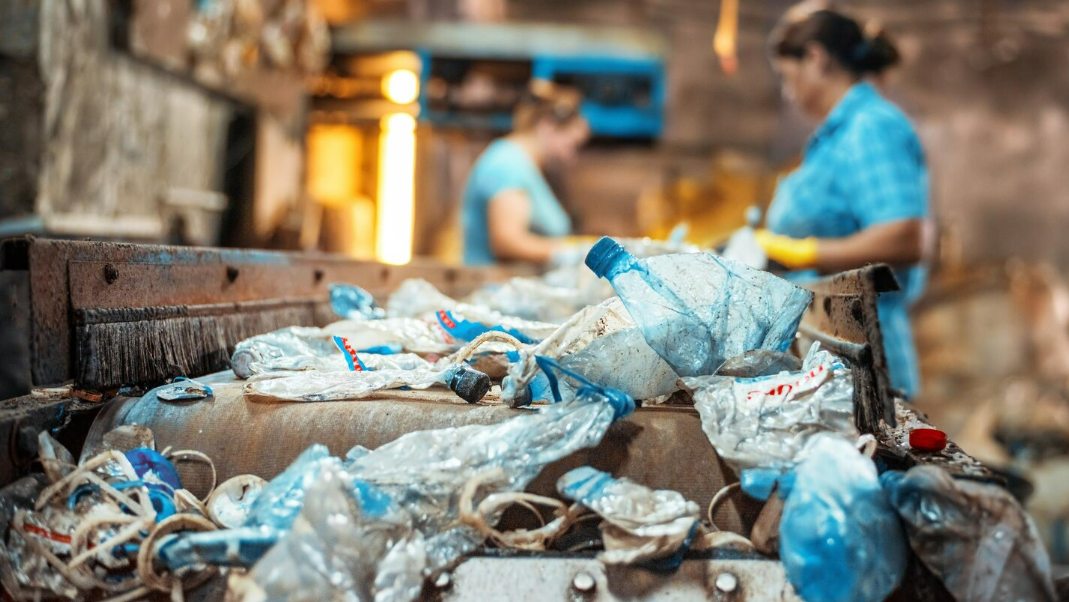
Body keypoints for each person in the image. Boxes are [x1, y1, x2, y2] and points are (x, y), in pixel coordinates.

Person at [755, 7, 929, 398]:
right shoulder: (836, 136)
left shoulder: (871, 126)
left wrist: (804, 252)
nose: (787, 92)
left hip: (865, 357)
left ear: (816, 58)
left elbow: (905, 236)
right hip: (835, 352)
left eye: (787, 76)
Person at [462, 81, 590, 265]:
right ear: (548, 126)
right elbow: (507, 241)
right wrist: (568, 252)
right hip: (496, 289)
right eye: (572, 145)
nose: (572, 157)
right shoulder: (507, 165)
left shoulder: (528, 169)